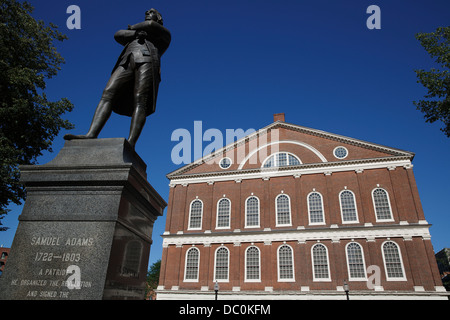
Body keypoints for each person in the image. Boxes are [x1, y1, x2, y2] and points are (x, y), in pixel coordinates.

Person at [64, 9, 171, 148]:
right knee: (108, 93)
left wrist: (133, 27)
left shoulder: (163, 36)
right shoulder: (134, 36)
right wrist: (135, 33)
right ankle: (91, 134)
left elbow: (150, 24)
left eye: (151, 12)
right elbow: (117, 34)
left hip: (147, 61)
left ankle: (131, 143)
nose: (147, 12)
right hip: (126, 62)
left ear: (159, 18)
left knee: (140, 100)